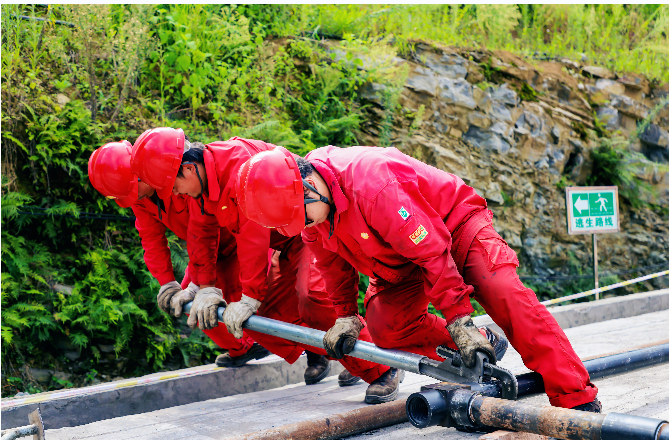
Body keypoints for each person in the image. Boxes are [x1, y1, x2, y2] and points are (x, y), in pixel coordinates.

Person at [234, 144, 602, 412]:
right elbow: (331, 265)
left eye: (304, 216)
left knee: (504, 292)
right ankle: (483, 345)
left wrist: (459, 319)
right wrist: (346, 315)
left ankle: (576, 397)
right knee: (386, 326)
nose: (305, 226)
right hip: (396, 256)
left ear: (308, 186)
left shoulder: (372, 185)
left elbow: (432, 252)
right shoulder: (310, 212)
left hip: (452, 227)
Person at [130, 128, 405, 403]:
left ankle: (382, 368)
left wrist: (250, 297)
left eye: (173, 187)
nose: (173, 194)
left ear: (189, 169)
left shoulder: (237, 166)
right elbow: (201, 234)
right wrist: (204, 287)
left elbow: (253, 235)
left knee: (310, 298)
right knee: (262, 313)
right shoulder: (202, 186)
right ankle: (329, 352)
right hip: (281, 238)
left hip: (306, 227)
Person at [88, 140, 273, 368]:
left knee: (259, 300)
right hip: (203, 253)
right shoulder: (140, 199)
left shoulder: (179, 179)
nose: (131, 199)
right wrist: (167, 282)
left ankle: (312, 351)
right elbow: (151, 237)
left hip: (235, 242)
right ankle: (244, 347)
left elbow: (203, 229)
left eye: (129, 191)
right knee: (190, 305)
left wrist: (204, 285)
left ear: (139, 175)